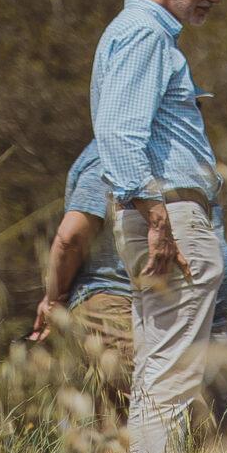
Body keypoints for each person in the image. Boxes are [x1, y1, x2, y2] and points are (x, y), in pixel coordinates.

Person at [90, 0, 227, 453]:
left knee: (157, 366)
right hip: (169, 215)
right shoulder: (144, 34)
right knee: (172, 374)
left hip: (164, 214)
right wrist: (159, 213)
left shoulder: (144, 36)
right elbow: (118, 132)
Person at [28, 140, 136, 419]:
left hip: (120, 309)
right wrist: (53, 299)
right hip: (112, 309)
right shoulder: (111, 151)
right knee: (124, 431)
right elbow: (70, 237)